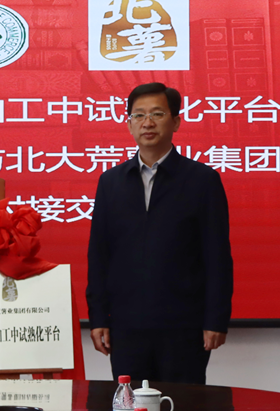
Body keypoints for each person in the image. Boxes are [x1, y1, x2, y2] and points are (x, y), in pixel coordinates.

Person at [86, 82, 233, 384]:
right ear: (129, 124)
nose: (147, 122)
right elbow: (99, 255)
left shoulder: (202, 180)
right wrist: (98, 318)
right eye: (139, 115)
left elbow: (217, 256)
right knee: (129, 402)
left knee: (184, 403)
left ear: (175, 121)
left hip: (184, 326)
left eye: (157, 114)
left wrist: (216, 319)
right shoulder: (110, 182)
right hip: (126, 326)